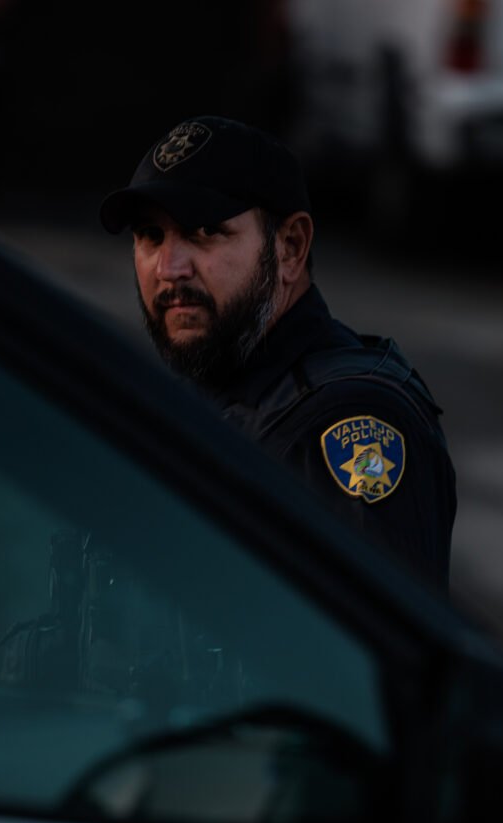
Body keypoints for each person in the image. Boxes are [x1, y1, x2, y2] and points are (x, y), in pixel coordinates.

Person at [99, 116, 455, 588]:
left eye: (204, 231)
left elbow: (364, 653)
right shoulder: (202, 386)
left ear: (290, 248)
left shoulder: (350, 421)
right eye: (150, 236)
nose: (169, 268)